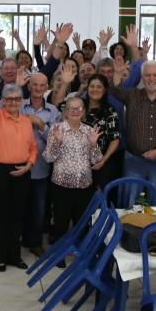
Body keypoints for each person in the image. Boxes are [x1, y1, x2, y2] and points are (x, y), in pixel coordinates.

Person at [0, 71, 38, 272]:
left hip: (23, 171)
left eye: (17, 99)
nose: (13, 102)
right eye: (9, 99)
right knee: (2, 215)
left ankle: (14, 256)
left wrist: (29, 164)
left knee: (17, 216)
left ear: (22, 100)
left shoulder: (26, 121)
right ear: (3, 101)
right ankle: (0, 257)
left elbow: (33, 148)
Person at [109, 60, 156, 205]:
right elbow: (115, 90)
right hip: (133, 159)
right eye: (147, 75)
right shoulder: (132, 95)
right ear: (142, 77)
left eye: (155, 75)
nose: (151, 79)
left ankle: (154, 229)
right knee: (130, 202)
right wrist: (117, 73)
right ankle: (128, 228)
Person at [44, 97, 102, 241]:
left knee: (81, 224)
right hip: (62, 186)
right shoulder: (57, 129)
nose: (75, 111)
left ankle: (80, 255)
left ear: (83, 112)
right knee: (60, 224)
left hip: (84, 186)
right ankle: (59, 255)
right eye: (72, 108)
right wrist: (58, 142)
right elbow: (48, 158)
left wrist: (94, 145)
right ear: (65, 112)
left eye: (79, 108)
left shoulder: (89, 130)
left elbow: (96, 161)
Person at [21, 72, 61, 255]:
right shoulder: (18, 105)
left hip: (41, 168)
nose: (38, 88)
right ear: (29, 87)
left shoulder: (53, 111)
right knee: (19, 207)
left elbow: (56, 140)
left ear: (47, 88)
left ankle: (35, 242)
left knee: (39, 209)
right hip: (18, 165)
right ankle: (19, 239)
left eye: (42, 85)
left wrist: (41, 125)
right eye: (34, 85)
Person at [81, 74, 122, 192]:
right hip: (77, 161)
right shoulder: (79, 106)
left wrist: (104, 158)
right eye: (92, 86)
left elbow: (115, 139)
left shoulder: (110, 110)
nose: (95, 89)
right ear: (87, 88)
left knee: (98, 199)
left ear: (105, 90)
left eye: (99, 87)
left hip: (100, 162)